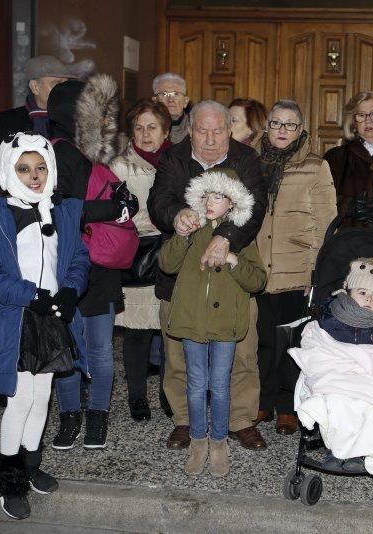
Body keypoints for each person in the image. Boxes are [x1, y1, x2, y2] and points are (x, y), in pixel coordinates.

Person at [0, 133, 90, 520]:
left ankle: (30, 464)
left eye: (40, 168)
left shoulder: (63, 211)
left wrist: (70, 290)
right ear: (8, 171)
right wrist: (28, 294)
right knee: (18, 402)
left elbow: (77, 259)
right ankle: (7, 479)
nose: (34, 176)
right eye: (24, 169)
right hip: (14, 319)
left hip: (50, 317)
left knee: (41, 397)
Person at [148, 100, 269, 451]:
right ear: (189, 129)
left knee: (243, 352)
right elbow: (159, 199)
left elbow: (256, 206)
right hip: (183, 275)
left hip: (232, 276)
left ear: (230, 130)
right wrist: (177, 216)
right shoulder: (174, 158)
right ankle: (185, 420)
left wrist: (224, 236)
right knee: (178, 354)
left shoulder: (246, 160)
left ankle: (241, 420)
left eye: (219, 131)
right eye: (203, 131)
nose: (211, 139)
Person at [48, 75, 139, 451]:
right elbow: (57, 209)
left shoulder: (89, 152)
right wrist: (114, 207)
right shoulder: (55, 152)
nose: (101, 120)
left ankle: (94, 415)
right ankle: (74, 415)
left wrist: (120, 202)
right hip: (69, 265)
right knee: (74, 347)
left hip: (95, 267)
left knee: (90, 348)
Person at [159, 169, 266, 477]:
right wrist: (181, 235)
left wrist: (234, 261)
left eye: (218, 197)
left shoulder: (242, 235)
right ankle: (198, 441)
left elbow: (258, 280)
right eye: (205, 195)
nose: (209, 202)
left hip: (225, 323)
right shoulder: (192, 227)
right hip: (192, 320)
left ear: (231, 203)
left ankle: (219, 442)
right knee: (195, 384)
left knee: (220, 385)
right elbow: (167, 264)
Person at [254, 99, 338, 435]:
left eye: (290, 124)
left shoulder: (316, 166)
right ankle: (262, 401)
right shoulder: (253, 163)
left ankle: (287, 406)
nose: (282, 130)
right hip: (259, 266)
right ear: (267, 127)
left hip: (299, 270)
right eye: (276, 123)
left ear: (301, 130)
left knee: (292, 343)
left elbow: (327, 223)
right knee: (262, 341)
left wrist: (318, 275)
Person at [110, 99, 172, 421]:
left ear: (165, 130)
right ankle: (137, 398)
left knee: (169, 330)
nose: (146, 134)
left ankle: (167, 394)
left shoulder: (178, 160)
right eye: (139, 127)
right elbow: (121, 216)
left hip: (173, 255)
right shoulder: (121, 166)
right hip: (140, 255)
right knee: (137, 331)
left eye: (152, 127)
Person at [317, 257, 373, 471]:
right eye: (362, 293)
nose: (368, 299)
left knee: (371, 406)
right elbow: (318, 344)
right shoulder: (331, 316)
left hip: (368, 379)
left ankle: (358, 453)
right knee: (336, 403)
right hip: (337, 376)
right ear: (348, 291)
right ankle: (335, 451)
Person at [324, 91, 373, 237]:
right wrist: (349, 206)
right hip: (348, 244)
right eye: (361, 115)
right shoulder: (335, 158)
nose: (368, 121)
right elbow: (321, 200)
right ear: (354, 123)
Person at [0, 55, 74, 149]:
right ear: (35, 87)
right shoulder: (4, 123)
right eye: (57, 83)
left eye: (66, 84)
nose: (64, 90)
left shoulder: (75, 123)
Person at [152, 72, 190, 144]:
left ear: (185, 101)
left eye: (176, 94)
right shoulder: (143, 129)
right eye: (164, 94)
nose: (170, 99)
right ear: (155, 101)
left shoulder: (196, 129)